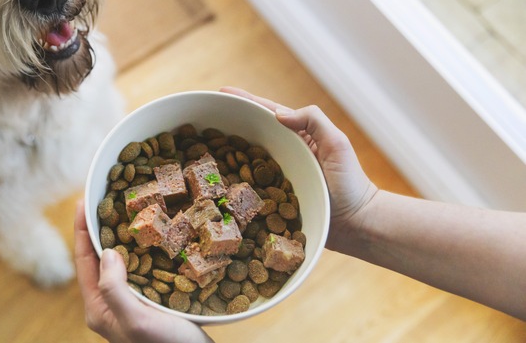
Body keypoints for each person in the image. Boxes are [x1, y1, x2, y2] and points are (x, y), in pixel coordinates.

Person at [74, 87, 526, 342]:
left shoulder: (234, 209)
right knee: (208, 187)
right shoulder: (201, 187)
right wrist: (359, 211)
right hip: (205, 196)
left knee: (213, 194)